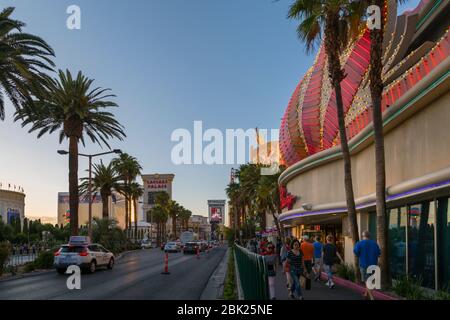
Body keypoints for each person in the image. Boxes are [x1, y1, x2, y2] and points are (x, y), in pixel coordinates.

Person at [353, 231, 381, 300]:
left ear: (363, 236)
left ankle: (371, 297)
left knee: (367, 281)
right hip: (373, 265)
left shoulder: (359, 243)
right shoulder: (374, 244)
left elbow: (356, 253)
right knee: (370, 280)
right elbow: (379, 254)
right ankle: (366, 294)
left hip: (364, 265)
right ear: (369, 236)